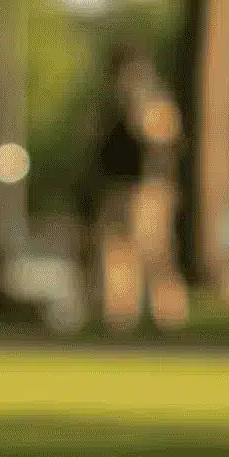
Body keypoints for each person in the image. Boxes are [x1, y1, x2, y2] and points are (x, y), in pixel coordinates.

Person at [81, 42, 188, 332]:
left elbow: (160, 140)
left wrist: (137, 108)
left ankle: (167, 316)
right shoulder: (109, 105)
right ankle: (120, 316)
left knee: (154, 253)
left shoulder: (155, 101)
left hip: (147, 190)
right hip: (115, 189)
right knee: (115, 253)